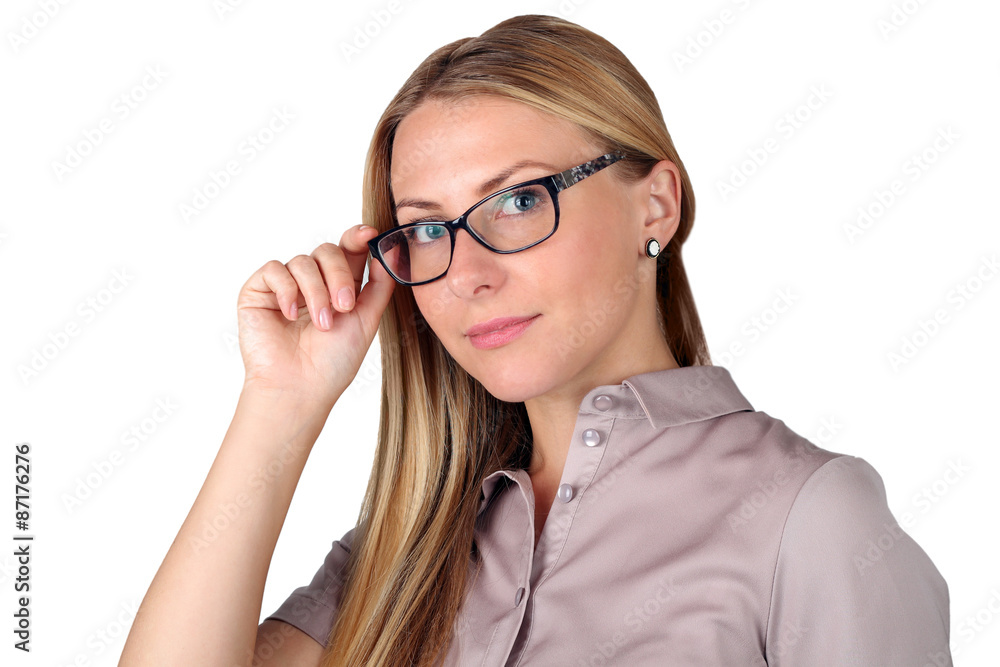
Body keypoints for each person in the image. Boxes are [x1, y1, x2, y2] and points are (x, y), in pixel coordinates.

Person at [120, 14, 952, 667]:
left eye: (518, 201)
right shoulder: (406, 547)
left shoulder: (809, 520)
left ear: (655, 205)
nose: (467, 274)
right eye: (430, 230)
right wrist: (280, 403)